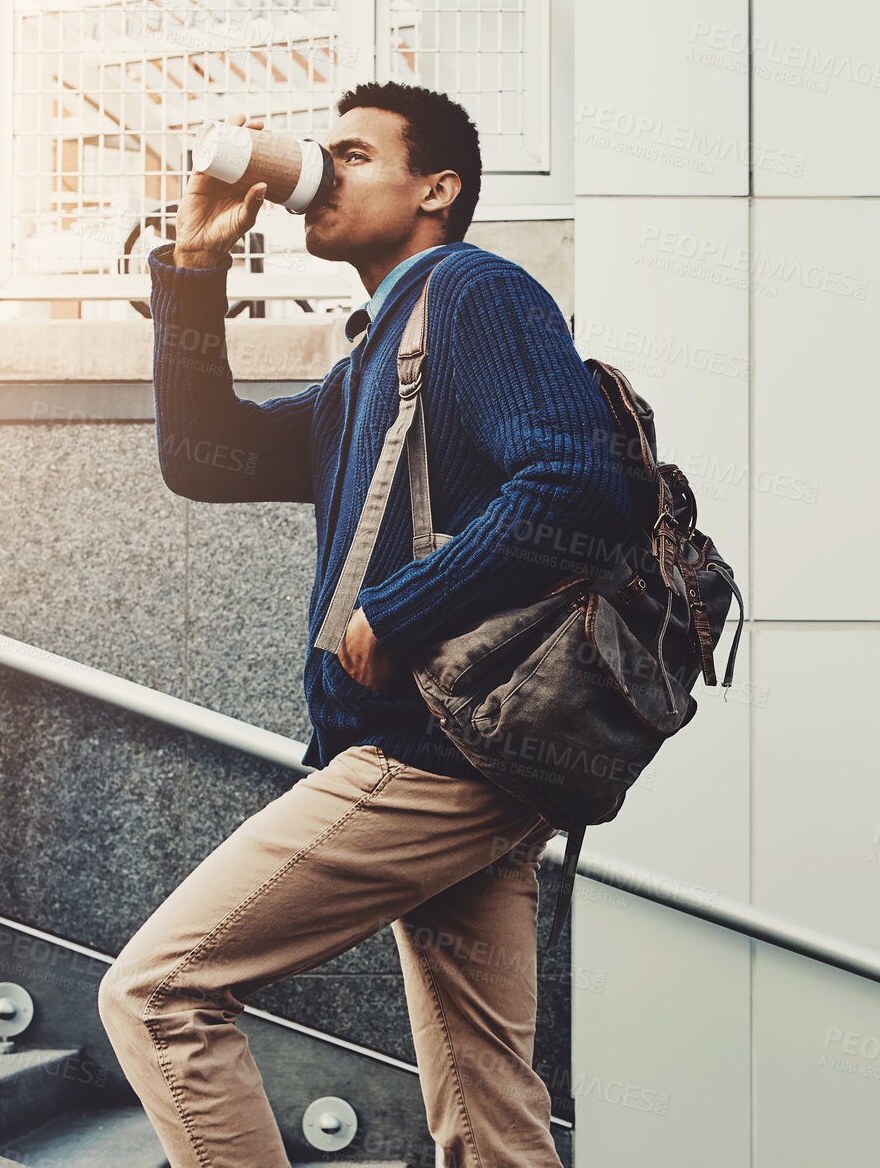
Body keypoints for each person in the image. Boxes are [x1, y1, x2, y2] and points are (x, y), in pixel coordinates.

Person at [97, 81, 634, 1168]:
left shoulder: (474, 288)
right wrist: (195, 266)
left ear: (435, 188)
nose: (320, 175)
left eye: (352, 155)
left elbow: (584, 478)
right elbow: (206, 458)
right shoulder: (374, 367)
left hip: (427, 751)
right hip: (475, 763)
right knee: (492, 1117)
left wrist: (400, 608)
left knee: (159, 992)